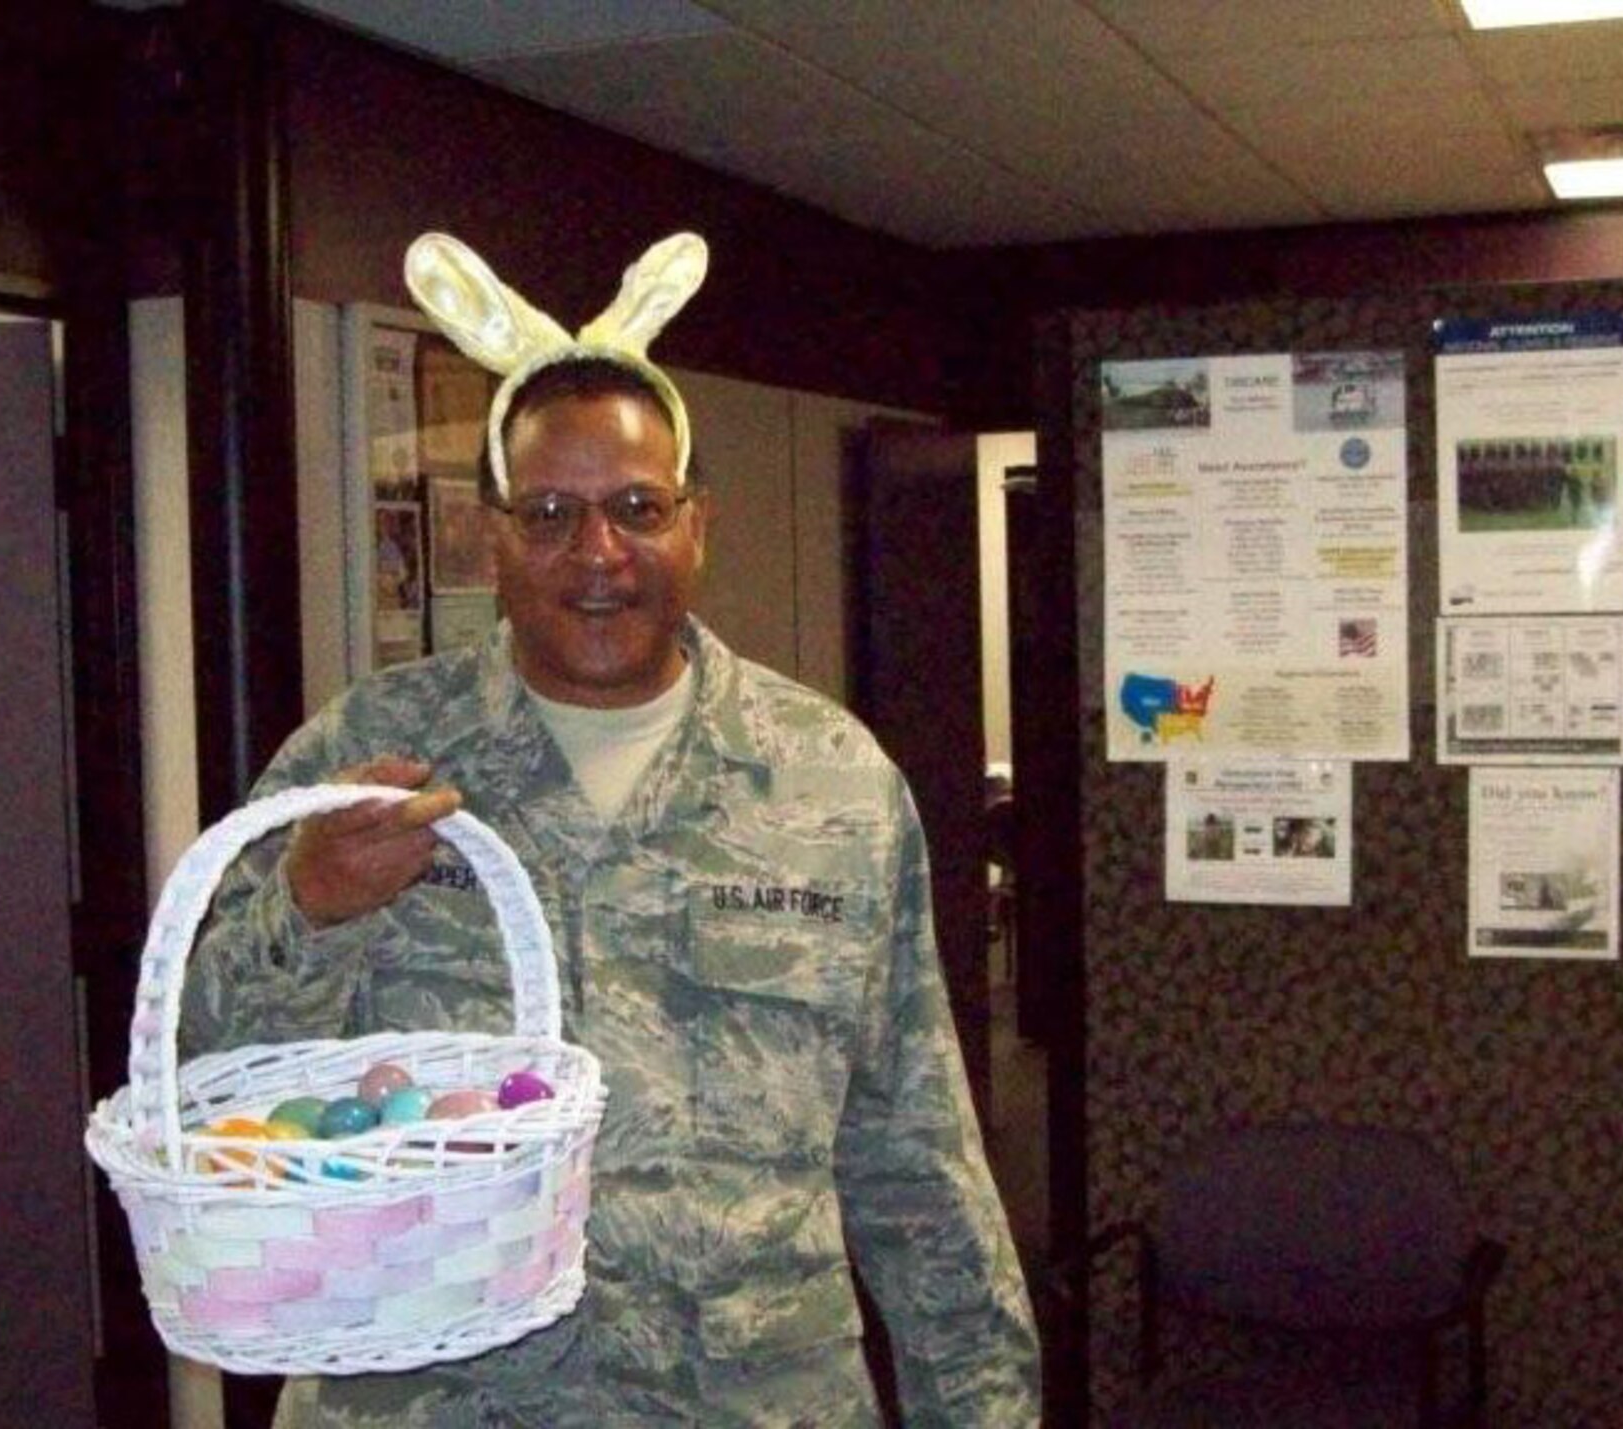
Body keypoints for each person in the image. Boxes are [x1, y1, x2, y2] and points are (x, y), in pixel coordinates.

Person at [180, 232, 1040, 1427]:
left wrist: (983, 1408)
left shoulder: (829, 781)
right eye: (549, 513)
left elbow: (915, 1156)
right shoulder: (362, 761)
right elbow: (203, 1085)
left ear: (697, 523)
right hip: (438, 1401)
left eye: (636, 507)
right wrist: (306, 913)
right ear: (492, 534)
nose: (596, 555)